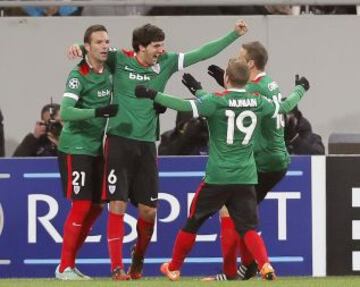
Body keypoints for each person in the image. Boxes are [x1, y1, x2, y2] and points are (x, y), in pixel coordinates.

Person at [68, 20, 249, 280]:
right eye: (156, 46)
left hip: (146, 145)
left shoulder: (166, 62)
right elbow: (94, 53)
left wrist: (233, 34)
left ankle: (138, 257)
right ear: (140, 47)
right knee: (116, 204)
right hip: (118, 140)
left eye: (162, 45)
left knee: (148, 211)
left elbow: (202, 52)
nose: (161, 50)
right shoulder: (119, 59)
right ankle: (117, 268)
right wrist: (77, 47)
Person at [134, 58, 309, 281]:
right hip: (246, 176)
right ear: (247, 80)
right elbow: (285, 106)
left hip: (218, 176)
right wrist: (300, 88)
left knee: (193, 221)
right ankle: (265, 264)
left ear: (226, 78)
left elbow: (182, 105)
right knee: (248, 228)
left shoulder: (215, 101)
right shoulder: (258, 101)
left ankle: (174, 267)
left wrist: (153, 94)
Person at [186, 41, 310, 280]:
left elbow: (231, 102)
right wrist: (300, 89)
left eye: (241, 57)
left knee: (230, 211)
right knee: (241, 213)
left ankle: (235, 273)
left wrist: (202, 91)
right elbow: (282, 105)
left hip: (262, 161)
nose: (237, 59)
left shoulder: (257, 88)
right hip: (277, 160)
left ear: (251, 63)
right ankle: (247, 268)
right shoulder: (269, 83)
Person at [55, 24, 118, 280]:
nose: (105, 46)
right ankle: (64, 267)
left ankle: (69, 264)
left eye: (107, 41)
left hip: (96, 148)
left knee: (96, 207)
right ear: (89, 47)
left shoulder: (110, 66)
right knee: (81, 205)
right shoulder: (78, 74)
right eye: (99, 42)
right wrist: (97, 112)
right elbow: (66, 112)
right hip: (75, 146)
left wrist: (80, 46)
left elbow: (129, 57)